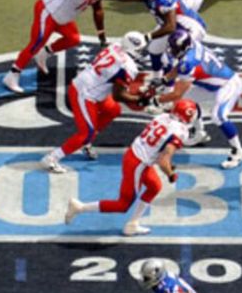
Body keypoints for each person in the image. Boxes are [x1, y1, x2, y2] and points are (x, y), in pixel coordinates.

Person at [65, 99, 197, 236]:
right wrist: (170, 174)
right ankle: (80, 207)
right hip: (138, 163)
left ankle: (132, 224)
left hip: (135, 154)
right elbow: (163, 160)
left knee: (154, 187)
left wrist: (165, 164)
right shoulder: (179, 131)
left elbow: (158, 148)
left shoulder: (162, 117)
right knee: (123, 205)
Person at [40, 31, 152, 173]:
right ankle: (52, 158)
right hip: (85, 93)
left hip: (93, 87)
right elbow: (118, 95)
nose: (141, 52)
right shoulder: (128, 67)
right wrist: (139, 99)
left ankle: (87, 142)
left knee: (113, 110)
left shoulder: (116, 46)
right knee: (86, 133)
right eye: (140, 49)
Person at [3, 0, 113, 93]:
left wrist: (101, 34)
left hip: (62, 17)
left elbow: (98, 10)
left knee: (73, 39)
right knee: (36, 43)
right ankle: (12, 74)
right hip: (48, 10)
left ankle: (44, 53)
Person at [155, 29, 242, 168]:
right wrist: (164, 79)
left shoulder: (188, 62)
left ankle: (238, 151)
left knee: (218, 116)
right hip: (213, 84)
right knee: (184, 101)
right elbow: (179, 68)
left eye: (175, 48)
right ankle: (199, 133)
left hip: (227, 84)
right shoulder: (191, 47)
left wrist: (156, 100)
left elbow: (177, 93)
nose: (171, 51)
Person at [135, 0, 207, 79]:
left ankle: (170, 84)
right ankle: (156, 78)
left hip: (191, 29)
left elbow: (170, 27)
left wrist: (147, 37)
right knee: (154, 49)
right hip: (175, 26)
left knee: (172, 57)